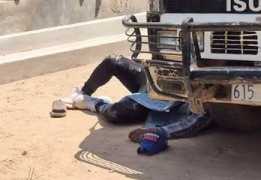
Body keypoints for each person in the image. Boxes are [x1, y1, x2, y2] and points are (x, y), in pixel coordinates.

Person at [59, 55, 211, 139]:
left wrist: (161, 132)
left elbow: (198, 119)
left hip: (170, 105)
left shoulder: (218, 84)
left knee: (115, 113)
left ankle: (91, 103)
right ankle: (81, 93)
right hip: (157, 81)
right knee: (112, 61)